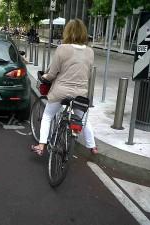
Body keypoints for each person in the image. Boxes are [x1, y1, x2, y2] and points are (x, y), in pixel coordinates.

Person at [31, 19, 98, 156]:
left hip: (60, 92)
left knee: (48, 115)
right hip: (80, 94)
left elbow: (53, 73)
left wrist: (44, 77)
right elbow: (88, 73)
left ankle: (41, 145)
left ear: (67, 32)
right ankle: (93, 146)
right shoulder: (90, 52)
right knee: (83, 119)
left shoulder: (62, 48)